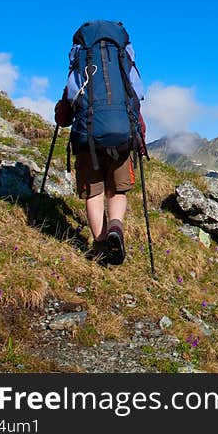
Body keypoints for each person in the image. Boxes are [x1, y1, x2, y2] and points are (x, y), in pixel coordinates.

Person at [54, 21, 146, 265]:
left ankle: (100, 246)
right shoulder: (123, 63)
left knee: (93, 193)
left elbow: (64, 115)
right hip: (122, 135)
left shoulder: (81, 64)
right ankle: (116, 228)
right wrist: (139, 137)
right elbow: (137, 96)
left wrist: (61, 110)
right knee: (118, 189)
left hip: (88, 137)